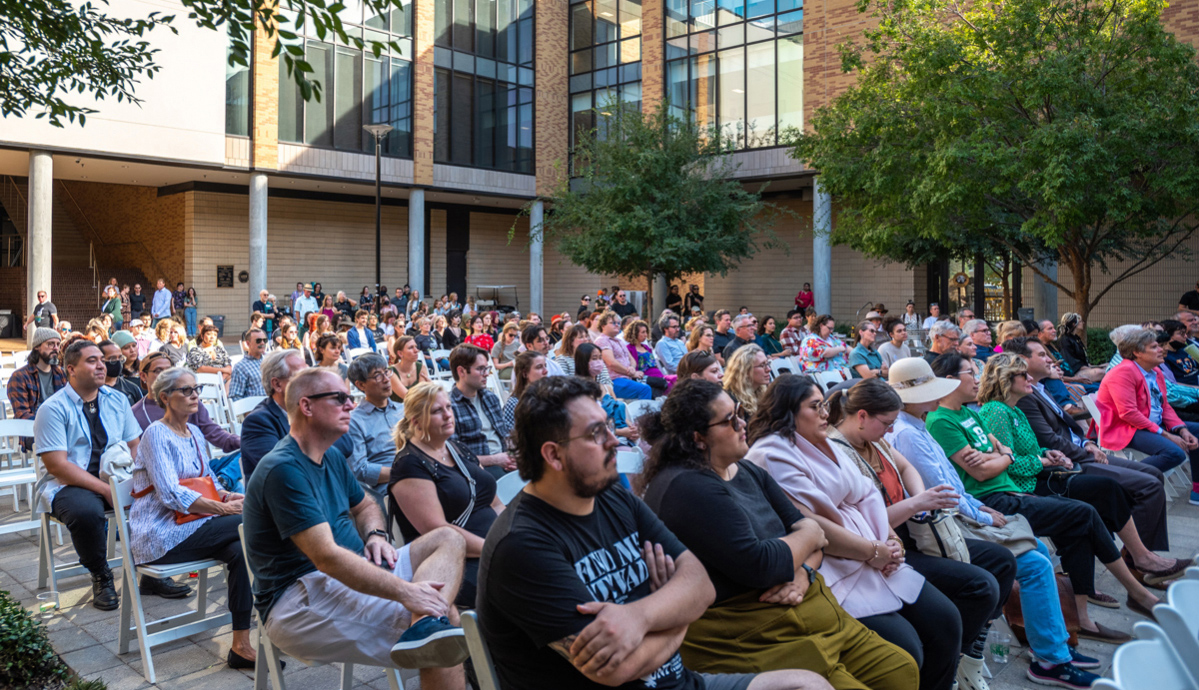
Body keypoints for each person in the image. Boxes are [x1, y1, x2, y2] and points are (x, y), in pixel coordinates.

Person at [478, 376, 830, 690]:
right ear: (553, 455)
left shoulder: (611, 494)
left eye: (609, 427)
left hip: (683, 680)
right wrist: (678, 613)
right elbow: (616, 669)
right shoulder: (523, 546)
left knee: (807, 684)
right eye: (596, 433)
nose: (614, 441)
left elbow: (700, 585)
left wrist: (639, 617)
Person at [638, 378, 918, 690]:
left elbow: (816, 541)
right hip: (757, 632)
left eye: (740, 412)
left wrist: (804, 569)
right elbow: (763, 563)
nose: (742, 423)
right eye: (729, 420)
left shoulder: (744, 469)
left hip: (805, 607)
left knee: (900, 669)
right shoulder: (688, 487)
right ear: (698, 437)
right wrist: (809, 535)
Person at [882, 357, 1104, 688]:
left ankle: (1052, 648)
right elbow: (946, 490)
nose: (968, 381)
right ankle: (1051, 658)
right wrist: (983, 509)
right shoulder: (911, 433)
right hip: (946, 525)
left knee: (1040, 551)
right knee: (1034, 561)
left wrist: (994, 473)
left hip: (966, 510)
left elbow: (961, 480)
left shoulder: (919, 425)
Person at [242, 368, 470, 682]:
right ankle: (426, 628)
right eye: (340, 398)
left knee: (448, 538)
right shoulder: (283, 469)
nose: (352, 405)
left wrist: (375, 534)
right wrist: (408, 593)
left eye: (351, 398)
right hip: (299, 598)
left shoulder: (331, 456)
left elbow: (364, 504)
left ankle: (424, 628)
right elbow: (326, 558)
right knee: (442, 629)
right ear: (307, 406)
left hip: (350, 571)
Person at [743, 374, 961, 690]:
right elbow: (814, 522)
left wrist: (891, 540)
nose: (824, 413)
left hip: (876, 553)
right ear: (787, 412)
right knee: (907, 648)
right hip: (835, 565)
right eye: (815, 406)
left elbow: (868, 495)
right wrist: (873, 552)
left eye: (823, 404)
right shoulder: (771, 453)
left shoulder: (824, 442)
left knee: (946, 620)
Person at [925, 352, 1164, 640]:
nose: (1030, 380)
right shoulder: (957, 418)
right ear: (951, 380)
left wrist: (1028, 455)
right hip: (999, 497)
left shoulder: (973, 413)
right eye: (970, 374)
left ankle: (1084, 617)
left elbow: (1004, 453)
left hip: (1014, 488)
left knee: (1085, 515)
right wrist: (1017, 458)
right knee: (1086, 510)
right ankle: (1134, 590)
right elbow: (985, 471)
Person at [826, 379, 1015, 690]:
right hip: (889, 545)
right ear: (861, 416)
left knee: (1002, 560)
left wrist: (920, 500)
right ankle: (950, 665)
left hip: (914, 532)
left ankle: (966, 655)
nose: (891, 430)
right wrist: (918, 503)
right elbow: (864, 523)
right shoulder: (840, 454)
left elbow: (907, 467)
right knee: (978, 588)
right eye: (886, 423)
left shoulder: (873, 441)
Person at [131, 367, 256, 667]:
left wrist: (228, 497)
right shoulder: (155, 434)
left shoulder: (195, 432)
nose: (195, 395)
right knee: (250, 522)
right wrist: (225, 509)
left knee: (242, 551)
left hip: (195, 524)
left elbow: (207, 479)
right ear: (165, 397)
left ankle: (241, 644)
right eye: (186, 390)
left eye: (196, 389)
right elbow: (170, 494)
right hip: (161, 534)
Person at [33, 340, 144, 610]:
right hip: (69, 484)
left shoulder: (116, 399)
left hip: (114, 475)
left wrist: (140, 481)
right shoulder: (53, 409)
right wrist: (106, 490)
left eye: (101, 360)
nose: (101, 365)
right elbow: (58, 466)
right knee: (86, 512)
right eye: (92, 361)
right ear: (71, 369)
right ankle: (101, 574)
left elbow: (135, 445)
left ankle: (149, 569)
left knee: (153, 498)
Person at [389, 381, 504, 611]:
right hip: (458, 561)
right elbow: (436, 529)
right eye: (437, 411)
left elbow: (495, 503)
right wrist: (498, 548)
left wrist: (515, 534)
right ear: (416, 421)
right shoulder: (409, 465)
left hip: (495, 546)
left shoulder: (457, 449)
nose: (448, 415)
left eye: (449, 408)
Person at [1096, 328, 1199, 505]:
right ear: (1137, 352)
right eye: (1154, 347)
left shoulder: (1156, 371)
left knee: (1196, 431)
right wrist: (1166, 434)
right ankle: (1119, 481)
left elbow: (1164, 406)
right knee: (1174, 452)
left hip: (1151, 424)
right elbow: (1128, 413)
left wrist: (1181, 429)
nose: (1161, 349)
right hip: (1125, 428)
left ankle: (1196, 490)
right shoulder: (1123, 372)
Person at [240, 349, 350, 478]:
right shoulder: (258, 422)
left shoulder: (313, 409)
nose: (309, 382)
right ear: (277, 384)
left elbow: (346, 446)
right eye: (300, 376)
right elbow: (283, 471)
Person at [131, 352, 241, 453]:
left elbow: (214, 432)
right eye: (158, 371)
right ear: (143, 376)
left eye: (169, 370)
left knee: (246, 457)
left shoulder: (189, 400)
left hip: (201, 469)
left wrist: (243, 442)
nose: (165, 375)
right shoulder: (135, 413)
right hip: (164, 468)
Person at [447, 345, 514, 479]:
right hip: (478, 469)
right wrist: (495, 460)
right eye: (480, 369)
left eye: (487, 368)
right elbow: (453, 456)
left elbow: (504, 434)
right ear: (461, 371)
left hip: (505, 461)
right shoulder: (448, 406)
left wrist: (515, 454)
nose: (486, 373)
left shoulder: (490, 398)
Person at [346, 354, 403, 502]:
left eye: (386, 372)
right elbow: (360, 469)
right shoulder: (354, 421)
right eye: (377, 375)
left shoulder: (404, 410)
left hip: (422, 473)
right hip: (389, 485)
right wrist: (403, 473)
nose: (386, 379)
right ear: (361, 385)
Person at [7, 329, 67, 443]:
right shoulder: (20, 376)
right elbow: (22, 415)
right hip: (31, 431)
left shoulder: (61, 374)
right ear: (37, 347)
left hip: (61, 428)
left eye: (58, 344)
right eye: (50, 344)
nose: (55, 348)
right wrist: (55, 424)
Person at [594, 311, 653, 400]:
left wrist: (632, 368)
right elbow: (611, 363)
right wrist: (629, 372)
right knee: (645, 389)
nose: (617, 325)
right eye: (613, 323)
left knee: (657, 384)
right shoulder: (602, 340)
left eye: (618, 323)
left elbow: (631, 359)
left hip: (627, 377)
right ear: (603, 326)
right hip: (613, 381)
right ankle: (643, 413)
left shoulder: (619, 340)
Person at [501, 351, 549, 430]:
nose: (545, 371)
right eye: (539, 367)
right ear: (525, 373)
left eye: (545, 366)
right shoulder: (514, 403)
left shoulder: (549, 397)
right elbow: (512, 437)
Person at [723, 345, 771, 420]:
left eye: (767, 363)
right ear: (745, 370)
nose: (768, 369)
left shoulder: (761, 391)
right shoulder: (732, 400)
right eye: (762, 365)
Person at [626, 319, 671, 395]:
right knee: (664, 385)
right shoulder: (629, 348)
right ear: (635, 333)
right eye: (643, 332)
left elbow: (655, 364)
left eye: (646, 332)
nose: (646, 335)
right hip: (645, 377)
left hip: (658, 376)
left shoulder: (647, 347)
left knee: (674, 380)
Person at [1056, 313, 1106, 383]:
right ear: (1074, 324)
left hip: (1082, 368)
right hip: (1075, 371)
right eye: (1080, 321)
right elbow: (1069, 360)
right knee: (1103, 372)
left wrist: (1091, 366)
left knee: (1108, 366)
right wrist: (1088, 367)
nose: (1083, 323)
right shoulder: (1064, 340)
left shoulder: (1075, 338)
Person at [99, 339, 143, 406]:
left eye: (120, 358)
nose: (118, 362)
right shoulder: (92, 390)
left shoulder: (132, 388)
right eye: (112, 359)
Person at [388, 336, 431, 403]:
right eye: (411, 347)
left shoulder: (421, 368)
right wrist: (430, 389)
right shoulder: (391, 372)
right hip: (397, 411)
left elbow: (422, 395)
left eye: (416, 347)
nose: (416, 350)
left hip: (417, 409)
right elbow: (408, 397)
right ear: (400, 353)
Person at [229, 328, 268, 401]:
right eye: (258, 340)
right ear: (248, 343)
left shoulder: (269, 360)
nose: (262, 343)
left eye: (265, 340)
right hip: (254, 409)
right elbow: (235, 397)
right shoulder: (240, 367)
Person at [1159, 319, 1199, 384]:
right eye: (1181, 334)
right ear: (1168, 336)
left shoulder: (1186, 349)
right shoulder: (1164, 356)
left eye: (1185, 333)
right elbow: (1172, 383)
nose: (1185, 336)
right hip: (1188, 391)